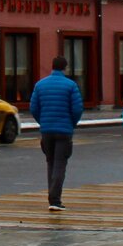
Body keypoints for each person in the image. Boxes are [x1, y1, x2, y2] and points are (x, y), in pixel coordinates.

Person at [29, 56, 84, 212]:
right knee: (60, 164)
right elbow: (77, 109)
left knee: (50, 163)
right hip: (64, 131)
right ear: (65, 68)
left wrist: (43, 122)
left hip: (46, 131)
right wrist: (72, 123)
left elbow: (33, 108)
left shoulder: (40, 85)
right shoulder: (71, 85)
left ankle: (52, 197)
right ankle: (55, 199)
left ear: (52, 67)